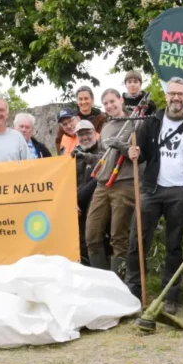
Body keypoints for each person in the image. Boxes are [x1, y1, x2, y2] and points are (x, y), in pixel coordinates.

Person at [126, 78, 183, 313]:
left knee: (174, 245)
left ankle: (169, 295)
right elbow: (139, 154)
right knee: (138, 240)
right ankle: (133, 292)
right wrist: (131, 151)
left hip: (178, 192)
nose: (176, 98)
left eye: (181, 94)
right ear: (166, 96)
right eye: (172, 93)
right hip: (151, 189)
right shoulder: (152, 123)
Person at [86, 89, 137, 272]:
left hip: (124, 183)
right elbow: (103, 156)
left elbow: (140, 155)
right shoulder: (106, 127)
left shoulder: (135, 122)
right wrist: (88, 158)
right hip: (102, 184)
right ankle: (101, 280)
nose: (110, 106)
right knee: (92, 235)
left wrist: (123, 147)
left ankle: (120, 282)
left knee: (118, 236)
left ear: (121, 100)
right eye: (105, 103)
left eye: (112, 101)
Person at [73, 119, 103, 265]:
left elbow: (99, 179)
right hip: (77, 208)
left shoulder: (102, 151)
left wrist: (76, 199)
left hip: (97, 203)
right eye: (81, 134)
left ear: (95, 133)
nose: (85, 137)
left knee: (96, 241)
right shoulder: (73, 156)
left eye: (88, 133)